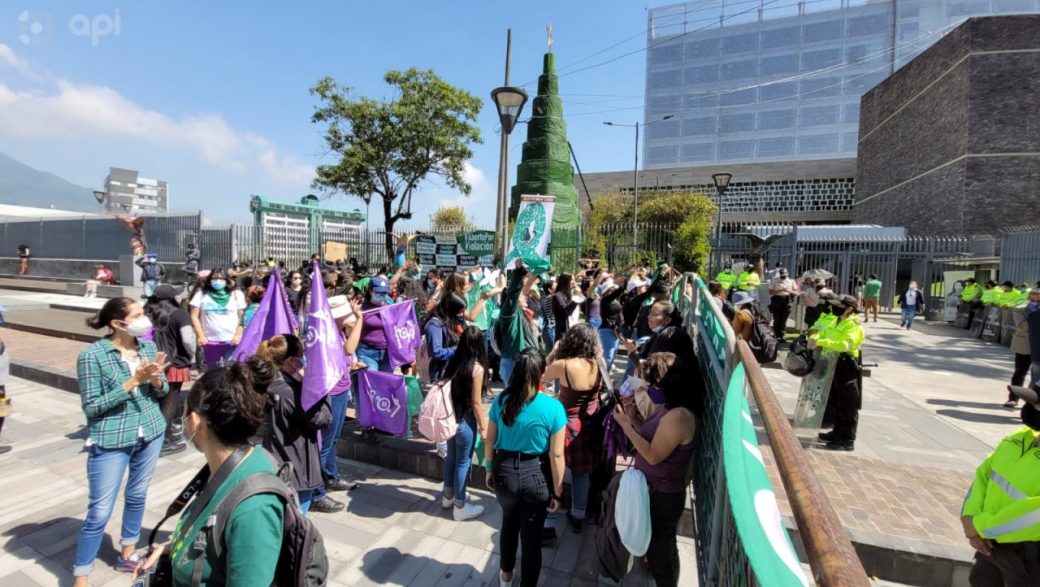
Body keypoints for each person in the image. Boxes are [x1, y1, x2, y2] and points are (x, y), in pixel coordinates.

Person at [132, 360, 285, 586]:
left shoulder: (254, 508)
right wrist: (173, 549)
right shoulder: (230, 465)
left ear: (195, 421)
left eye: (184, 411)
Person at [74, 297, 169, 585]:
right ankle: (81, 574)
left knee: (138, 494)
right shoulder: (93, 356)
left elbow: (161, 392)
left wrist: (155, 380)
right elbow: (92, 407)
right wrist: (132, 382)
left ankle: (128, 550)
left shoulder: (149, 347)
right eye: (138, 315)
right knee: (100, 511)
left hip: (150, 430)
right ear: (117, 323)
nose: (145, 320)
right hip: (112, 437)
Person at [484, 349, 566, 587]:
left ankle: (505, 577)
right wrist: (558, 492)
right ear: (541, 373)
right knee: (531, 538)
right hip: (536, 475)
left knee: (508, 523)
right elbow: (557, 454)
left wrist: (489, 468)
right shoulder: (554, 408)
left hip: (503, 471)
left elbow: (490, 440)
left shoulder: (501, 400)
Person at [613, 360, 699, 587]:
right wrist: (632, 416)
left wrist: (625, 426)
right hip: (652, 489)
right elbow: (651, 435)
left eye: (654, 385)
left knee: (662, 555)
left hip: (662, 496)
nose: (650, 390)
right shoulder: (670, 408)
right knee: (659, 547)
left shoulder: (679, 417)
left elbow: (652, 454)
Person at [961, 383, 1040, 585]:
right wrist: (969, 517)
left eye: (1036, 403)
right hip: (990, 547)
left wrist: (980, 527)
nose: (1030, 408)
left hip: (1029, 560)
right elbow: (984, 475)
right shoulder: (1020, 437)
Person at [256, 335, 331, 513]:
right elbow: (321, 419)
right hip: (294, 467)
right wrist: (320, 390)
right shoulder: (289, 391)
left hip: (271, 462)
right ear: (291, 361)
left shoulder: (262, 380)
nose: (305, 359)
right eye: (302, 355)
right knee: (295, 521)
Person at [543, 323, 604, 532]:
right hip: (591, 421)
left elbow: (540, 373)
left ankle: (551, 512)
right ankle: (578, 513)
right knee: (581, 472)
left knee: (554, 463)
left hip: (566, 422)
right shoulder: (599, 362)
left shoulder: (565, 364)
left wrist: (554, 351)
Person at [440, 326, 490, 521]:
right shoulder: (476, 368)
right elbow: (476, 403)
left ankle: (448, 496)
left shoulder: (454, 362)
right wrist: (484, 426)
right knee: (463, 462)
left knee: (451, 458)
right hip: (465, 421)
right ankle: (460, 505)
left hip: (451, 418)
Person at [144, 285, 197, 456]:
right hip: (175, 363)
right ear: (173, 298)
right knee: (169, 402)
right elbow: (188, 339)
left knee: (155, 400)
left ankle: (152, 435)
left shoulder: (148, 313)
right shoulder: (180, 314)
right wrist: (192, 356)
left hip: (152, 363)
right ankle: (163, 441)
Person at [814, 295, 865, 451]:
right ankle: (837, 432)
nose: (836, 308)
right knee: (836, 399)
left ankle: (847, 439)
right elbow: (823, 333)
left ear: (849, 308)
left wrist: (820, 342)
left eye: (840, 306)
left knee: (848, 403)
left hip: (847, 364)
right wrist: (815, 337)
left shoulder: (854, 326)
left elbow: (844, 344)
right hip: (834, 362)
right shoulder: (838, 321)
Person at [189, 269, 246, 369]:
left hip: (231, 341)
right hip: (210, 341)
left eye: (220, 278)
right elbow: (194, 316)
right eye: (214, 278)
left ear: (227, 280)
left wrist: (238, 335)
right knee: (213, 372)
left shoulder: (236, 294)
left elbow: (242, 316)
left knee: (230, 371)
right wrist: (200, 335)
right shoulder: (201, 294)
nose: (217, 281)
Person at [497, 263, 541, 384]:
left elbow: (526, 286)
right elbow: (513, 294)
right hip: (513, 363)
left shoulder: (522, 313)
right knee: (515, 400)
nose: (525, 297)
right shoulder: (508, 313)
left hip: (525, 361)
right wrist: (518, 272)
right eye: (521, 296)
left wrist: (536, 270)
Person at [1007, 289, 1040, 408]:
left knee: (1036, 377)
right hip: (1024, 345)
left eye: (1038, 301)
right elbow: (1022, 326)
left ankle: (1032, 401)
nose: (1035, 303)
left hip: (1038, 346)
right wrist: (1035, 315)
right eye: (1032, 300)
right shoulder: (1019, 309)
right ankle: (1013, 398)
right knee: (1020, 372)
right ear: (1028, 299)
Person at [356, 276, 396, 373]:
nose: (382, 295)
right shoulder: (361, 308)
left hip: (387, 353)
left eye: (384, 292)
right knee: (372, 383)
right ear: (370, 291)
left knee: (385, 384)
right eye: (378, 292)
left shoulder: (390, 307)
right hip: (367, 353)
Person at [424, 293, 465, 382]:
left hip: (454, 370)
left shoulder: (451, 320)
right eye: (459, 312)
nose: (461, 315)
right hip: (441, 373)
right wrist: (457, 349)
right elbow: (436, 352)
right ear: (451, 310)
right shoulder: (434, 325)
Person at [768, 267, 798, 340]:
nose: (783, 275)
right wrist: (779, 290)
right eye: (782, 274)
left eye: (785, 274)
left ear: (787, 274)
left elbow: (796, 292)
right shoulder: (775, 280)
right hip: (777, 300)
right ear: (779, 274)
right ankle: (775, 335)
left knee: (783, 320)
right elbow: (770, 292)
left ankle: (781, 335)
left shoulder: (791, 281)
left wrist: (789, 291)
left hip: (787, 300)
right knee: (776, 319)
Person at [551, 273, 580, 343]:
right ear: (566, 281)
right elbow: (566, 311)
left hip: (572, 332)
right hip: (563, 335)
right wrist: (576, 298)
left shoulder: (568, 295)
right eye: (572, 280)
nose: (574, 282)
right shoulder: (558, 296)